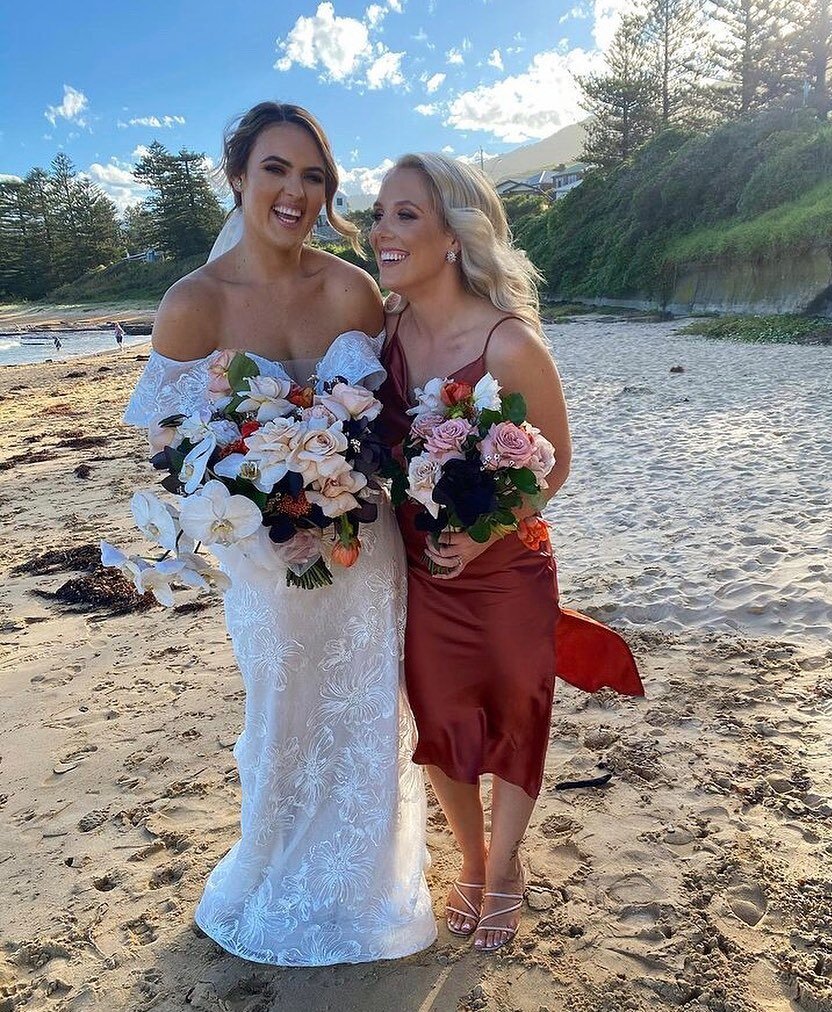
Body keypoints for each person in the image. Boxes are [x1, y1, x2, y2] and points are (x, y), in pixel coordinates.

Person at [122, 103, 435, 966]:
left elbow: (386, 418)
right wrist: (259, 522)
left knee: (368, 703)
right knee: (282, 707)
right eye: (276, 169)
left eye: (313, 176)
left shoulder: (349, 289)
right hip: (261, 563)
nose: (294, 191)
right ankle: (269, 866)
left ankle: (364, 886)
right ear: (237, 177)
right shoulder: (193, 304)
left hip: (359, 551)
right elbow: (178, 457)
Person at [372, 153, 641, 952]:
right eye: (379, 213)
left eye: (405, 215)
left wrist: (485, 532)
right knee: (439, 721)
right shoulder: (379, 332)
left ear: (454, 236)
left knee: (516, 714)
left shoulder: (506, 342)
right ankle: (472, 855)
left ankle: (506, 866)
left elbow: (554, 460)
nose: (382, 230)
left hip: (505, 572)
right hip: (420, 571)